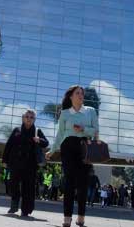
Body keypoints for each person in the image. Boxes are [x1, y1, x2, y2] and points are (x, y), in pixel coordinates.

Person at [47, 85, 99, 227]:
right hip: (68, 147)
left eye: (82, 93)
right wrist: (52, 151)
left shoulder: (90, 111)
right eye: (78, 93)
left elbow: (95, 130)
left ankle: (81, 216)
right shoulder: (65, 113)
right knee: (69, 182)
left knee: (83, 184)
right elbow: (60, 134)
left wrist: (83, 129)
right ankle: (67, 217)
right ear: (71, 96)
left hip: (85, 148)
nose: (81, 95)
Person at [2, 109, 49, 217]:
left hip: (30, 165)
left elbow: (46, 143)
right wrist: (5, 160)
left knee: (28, 188)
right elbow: (8, 145)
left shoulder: (37, 131)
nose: (29, 119)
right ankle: (14, 204)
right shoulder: (17, 130)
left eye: (31, 117)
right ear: (23, 118)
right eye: (27, 117)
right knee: (13, 184)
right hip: (15, 163)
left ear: (34, 120)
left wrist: (39, 140)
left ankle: (26, 210)